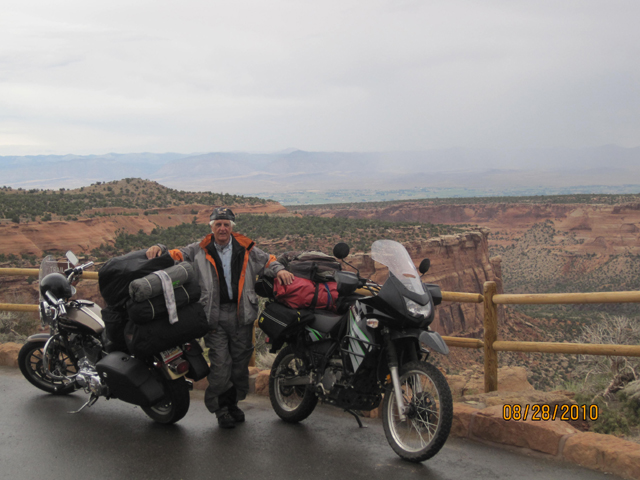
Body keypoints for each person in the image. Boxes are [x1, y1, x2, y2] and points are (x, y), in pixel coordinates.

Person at [146, 207, 294, 428]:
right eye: (218, 224)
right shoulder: (198, 249)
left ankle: (232, 403)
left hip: (242, 314)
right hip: (214, 316)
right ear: (212, 227)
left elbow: (268, 261)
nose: (222, 228)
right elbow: (177, 255)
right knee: (221, 366)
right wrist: (160, 248)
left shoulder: (247, 248)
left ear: (231, 227)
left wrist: (279, 270)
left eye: (226, 224)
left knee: (239, 366)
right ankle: (221, 409)